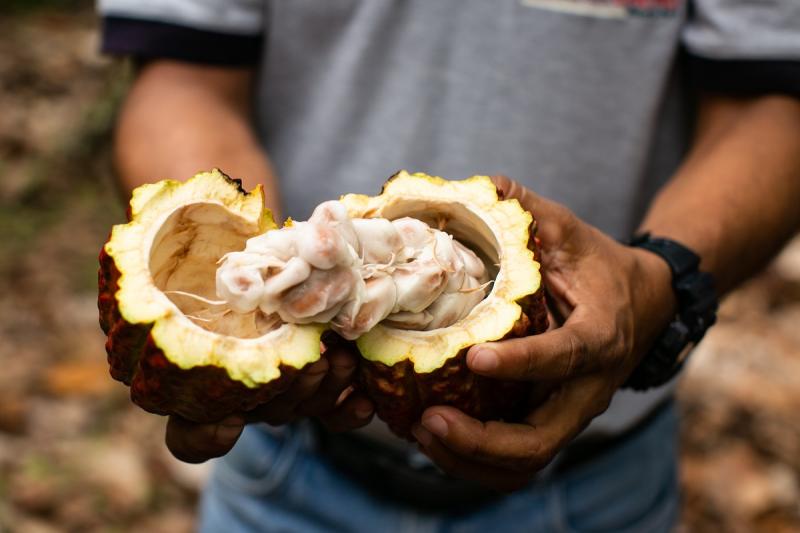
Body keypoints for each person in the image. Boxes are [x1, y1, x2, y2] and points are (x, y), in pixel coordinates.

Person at [98, 1, 800, 531]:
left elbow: (771, 99)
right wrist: (255, 304)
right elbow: (183, 74)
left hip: (600, 483)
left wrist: (658, 276)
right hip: (287, 471)